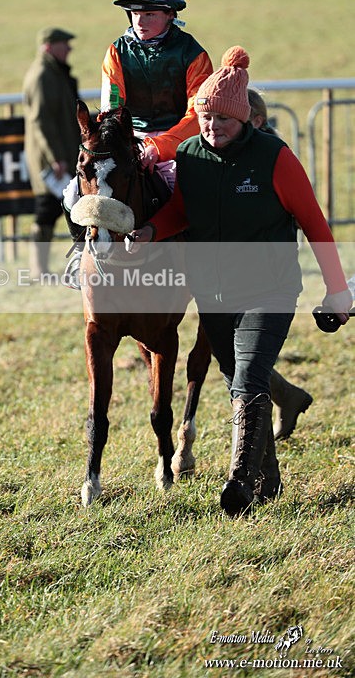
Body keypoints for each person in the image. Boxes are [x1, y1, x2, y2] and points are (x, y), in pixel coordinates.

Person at [127, 46, 352, 517]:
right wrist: (149, 230)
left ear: (245, 118)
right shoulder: (190, 154)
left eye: (222, 120)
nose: (212, 127)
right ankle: (268, 478)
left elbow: (314, 223)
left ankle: (240, 483)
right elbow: (181, 211)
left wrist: (337, 291)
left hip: (269, 289)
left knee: (249, 376)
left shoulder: (275, 157)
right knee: (238, 381)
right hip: (213, 293)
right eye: (205, 117)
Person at [62, 0, 213, 286]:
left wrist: (160, 147)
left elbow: (197, 115)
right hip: (130, 138)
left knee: (196, 194)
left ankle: (205, 266)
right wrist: (122, 144)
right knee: (73, 191)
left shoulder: (193, 54)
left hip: (179, 140)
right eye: (134, 13)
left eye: (150, 14)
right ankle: (79, 250)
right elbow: (112, 109)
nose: (140, 21)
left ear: (171, 13)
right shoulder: (116, 51)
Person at [247, 87, 314, 440]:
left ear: (257, 121)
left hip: (269, 273)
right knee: (229, 351)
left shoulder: (274, 158)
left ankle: (257, 459)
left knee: (244, 362)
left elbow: (308, 216)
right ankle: (286, 395)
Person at [23, 26, 81, 277]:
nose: (69, 48)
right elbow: (41, 122)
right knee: (47, 208)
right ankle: (38, 269)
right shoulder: (42, 76)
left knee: (58, 207)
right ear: (49, 47)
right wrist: (55, 157)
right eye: (63, 44)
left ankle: (43, 267)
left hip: (61, 155)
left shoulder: (54, 73)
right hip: (52, 159)